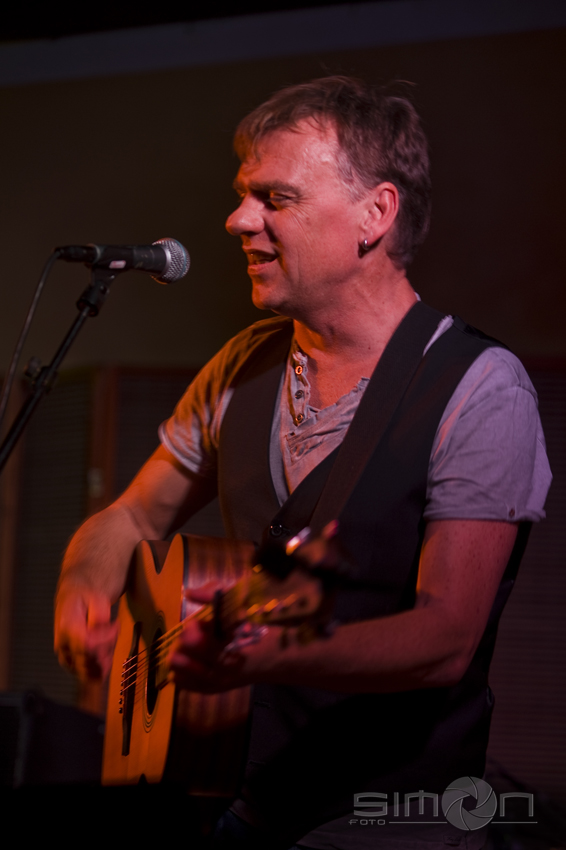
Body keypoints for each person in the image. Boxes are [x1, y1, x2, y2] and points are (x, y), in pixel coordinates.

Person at [54, 77, 551, 848]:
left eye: (274, 198)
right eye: (242, 196)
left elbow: (446, 636)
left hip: (393, 822)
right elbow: (128, 517)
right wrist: (83, 583)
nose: (237, 220)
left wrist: (271, 653)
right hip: (234, 801)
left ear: (374, 215)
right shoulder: (241, 366)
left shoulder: (480, 388)